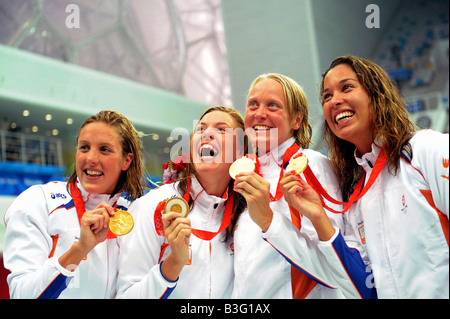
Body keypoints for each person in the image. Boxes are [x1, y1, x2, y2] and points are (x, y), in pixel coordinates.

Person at [278, 55, 448, 298]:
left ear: (376, 94)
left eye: (346, 87)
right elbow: (364, 291)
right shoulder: (356, 196)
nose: (334, 101)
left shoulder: (425, 151)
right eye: (327, 96)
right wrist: (318, 217)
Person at [232, 73, 370, 299]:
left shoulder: (312, 166)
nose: (260, 114)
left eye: (273, 106)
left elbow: (332, 267)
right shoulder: (243, 174)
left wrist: (269, 221)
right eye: (253, 104)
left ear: (297, 120)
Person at [3, 110, 146, 298]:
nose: (90, 159)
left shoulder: (134, 215)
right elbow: (22, 294)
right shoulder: (38, 202)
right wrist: (79, 249)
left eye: (104, 149)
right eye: (84, 147)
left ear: (127, 160)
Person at [117, 106, 247, 298]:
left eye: (221, 130)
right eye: (201, 129)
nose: (207, 134)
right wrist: (172, 264)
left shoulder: (247, 216)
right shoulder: (153, 207)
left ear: (239, 153)